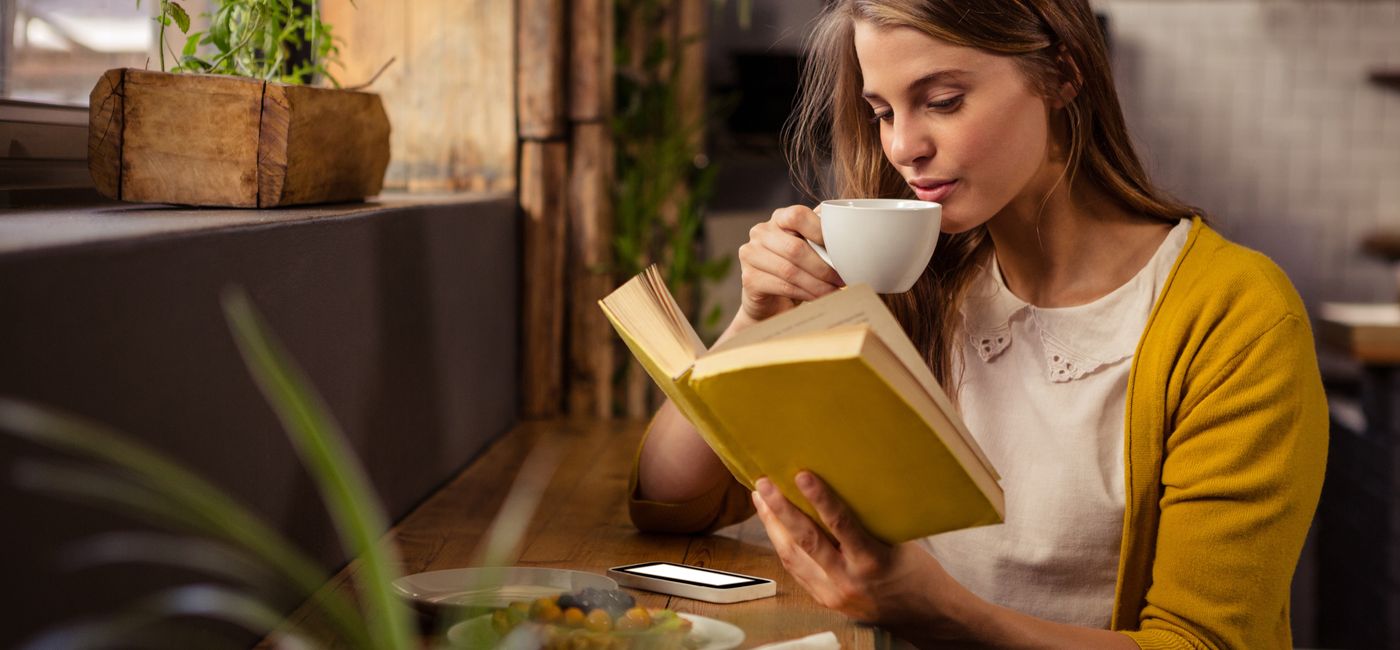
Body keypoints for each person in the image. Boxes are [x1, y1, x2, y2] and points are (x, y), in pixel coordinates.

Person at [628, 0, 1327, 647]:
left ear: (1061, 74)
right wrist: (753, 320)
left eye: (942, 101)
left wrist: (946, 614)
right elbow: (671, 501)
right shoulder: (910, 285)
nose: (904, 147)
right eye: (882, 111)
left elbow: (1203, 643)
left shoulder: (1236, 315)